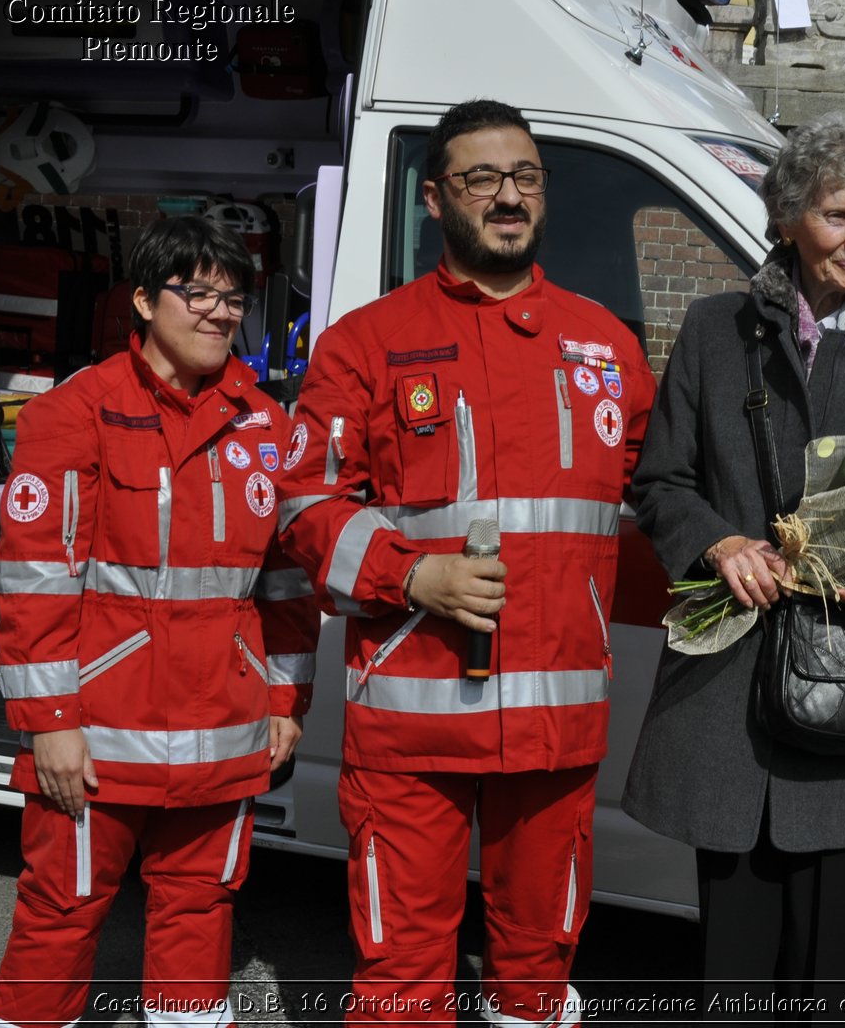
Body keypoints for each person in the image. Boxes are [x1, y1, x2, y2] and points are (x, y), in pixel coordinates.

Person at [276, 99, 653, 1026]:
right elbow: (304, 503)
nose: (508, 195)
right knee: (402, 981)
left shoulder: (606, 343)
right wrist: (411, 575)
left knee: (536, 978)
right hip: (415, 720)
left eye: (525, 176)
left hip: (555, 725)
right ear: (436, 199)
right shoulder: (365, 342)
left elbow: (666, 489)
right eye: (482, 178)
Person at [621, 111, 845, 1021]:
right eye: (838, 215)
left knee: (830, 990)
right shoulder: (712, 331)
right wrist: (718, 541)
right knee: (731, 979)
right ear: (787, 218)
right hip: (729, 710)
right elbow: (660, 481)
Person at [0, 216, 318, 1028]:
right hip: (99, 734)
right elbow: (35, 583)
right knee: (60, 911)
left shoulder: (267, 429)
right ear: (141, 299)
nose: (217, 312)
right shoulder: (76, 413)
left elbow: (285, 586)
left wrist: (284, 704)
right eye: (195, 291)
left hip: (223, 728)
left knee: (201, 911)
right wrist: (51, 724)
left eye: (232, 297)